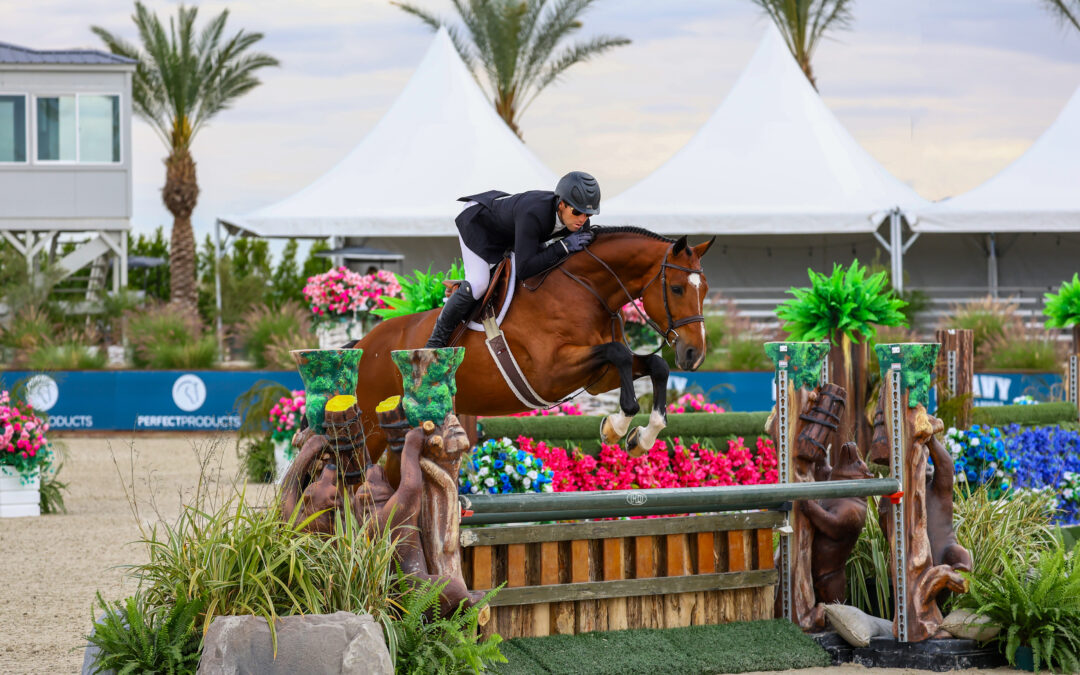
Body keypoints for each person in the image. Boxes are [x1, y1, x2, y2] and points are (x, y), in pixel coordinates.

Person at [424, 171, 601, 348]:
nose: (582, 219)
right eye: (577, 212)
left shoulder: (579, 222)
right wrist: (563, 247)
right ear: (561, 204)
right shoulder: (534, 212)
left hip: (513, 232)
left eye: (588, 215)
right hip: (479, 224)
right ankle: (435, 342)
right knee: (478, 283)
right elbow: (525, 269)